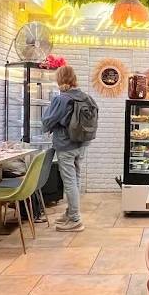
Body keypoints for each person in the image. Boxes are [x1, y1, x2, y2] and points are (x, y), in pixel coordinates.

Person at [41, 64, 96, 232]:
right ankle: (70, 212)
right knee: (75, 179)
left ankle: (75, 220)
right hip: (82, 144)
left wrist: (52, 125)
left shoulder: (61, 99)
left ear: (60, 79)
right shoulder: (86, 97)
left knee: (69, 181)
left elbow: (47, 121)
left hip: (66, 145)